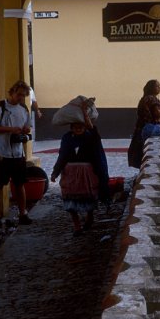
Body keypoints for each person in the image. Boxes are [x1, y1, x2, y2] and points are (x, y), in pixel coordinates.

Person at [50, 100, 110, 236]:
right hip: (70, 174)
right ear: (71, 127)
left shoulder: (90, 138)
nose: (78, 129)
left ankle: (89, 216)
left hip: (86, 174)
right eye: (75, 127)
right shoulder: (66, 139)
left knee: (88, 197)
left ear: (84, 127)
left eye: (80, 127)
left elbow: (93, 131)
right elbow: (62, 156)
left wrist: (84, 113)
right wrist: (55, 172)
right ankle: (76, 225)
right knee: (70, 200)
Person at [0, 80, 33, 227]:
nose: (20, 98)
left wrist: (25, 131)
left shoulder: (24, 108)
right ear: (12, 92)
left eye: (23, 96)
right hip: (1, 153)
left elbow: (27, 126)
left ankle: (23, 214)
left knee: (20, 184)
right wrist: (11, 129)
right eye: (18, 94)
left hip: (18, 154)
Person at [128, 79, 160, 168]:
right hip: (149, 129)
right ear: (151, 88)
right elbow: (158, 113)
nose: (159, 88)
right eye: (157, 86)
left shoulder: (145, 98)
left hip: (142, 129)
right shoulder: (151, 98)